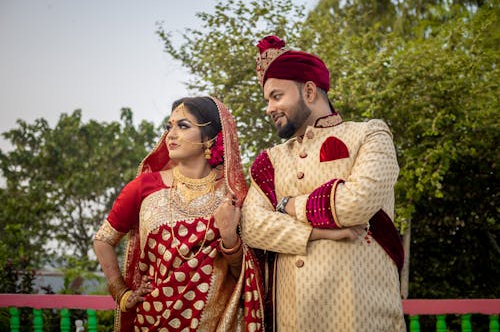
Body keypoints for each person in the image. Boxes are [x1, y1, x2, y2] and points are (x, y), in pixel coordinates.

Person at [240, 35, 406, 331]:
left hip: (361, 316)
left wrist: (288, 206)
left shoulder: (370, 135)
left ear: (309, 90)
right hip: (294, 320)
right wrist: (318, 232)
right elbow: (252, 226)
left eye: (277, 96)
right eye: (267, 100)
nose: (269, 108)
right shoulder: (271, 160)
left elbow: (355, 204)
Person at [93, 96, 265, 331]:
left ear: (211, 137)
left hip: (216, 323)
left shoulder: (233, 195)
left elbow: (244, 276)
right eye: (169, 126)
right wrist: (122, 293)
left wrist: (229, 237)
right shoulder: (145, 187)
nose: (170, 135)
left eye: (183, 126)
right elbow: (103, 240)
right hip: (153, 319)